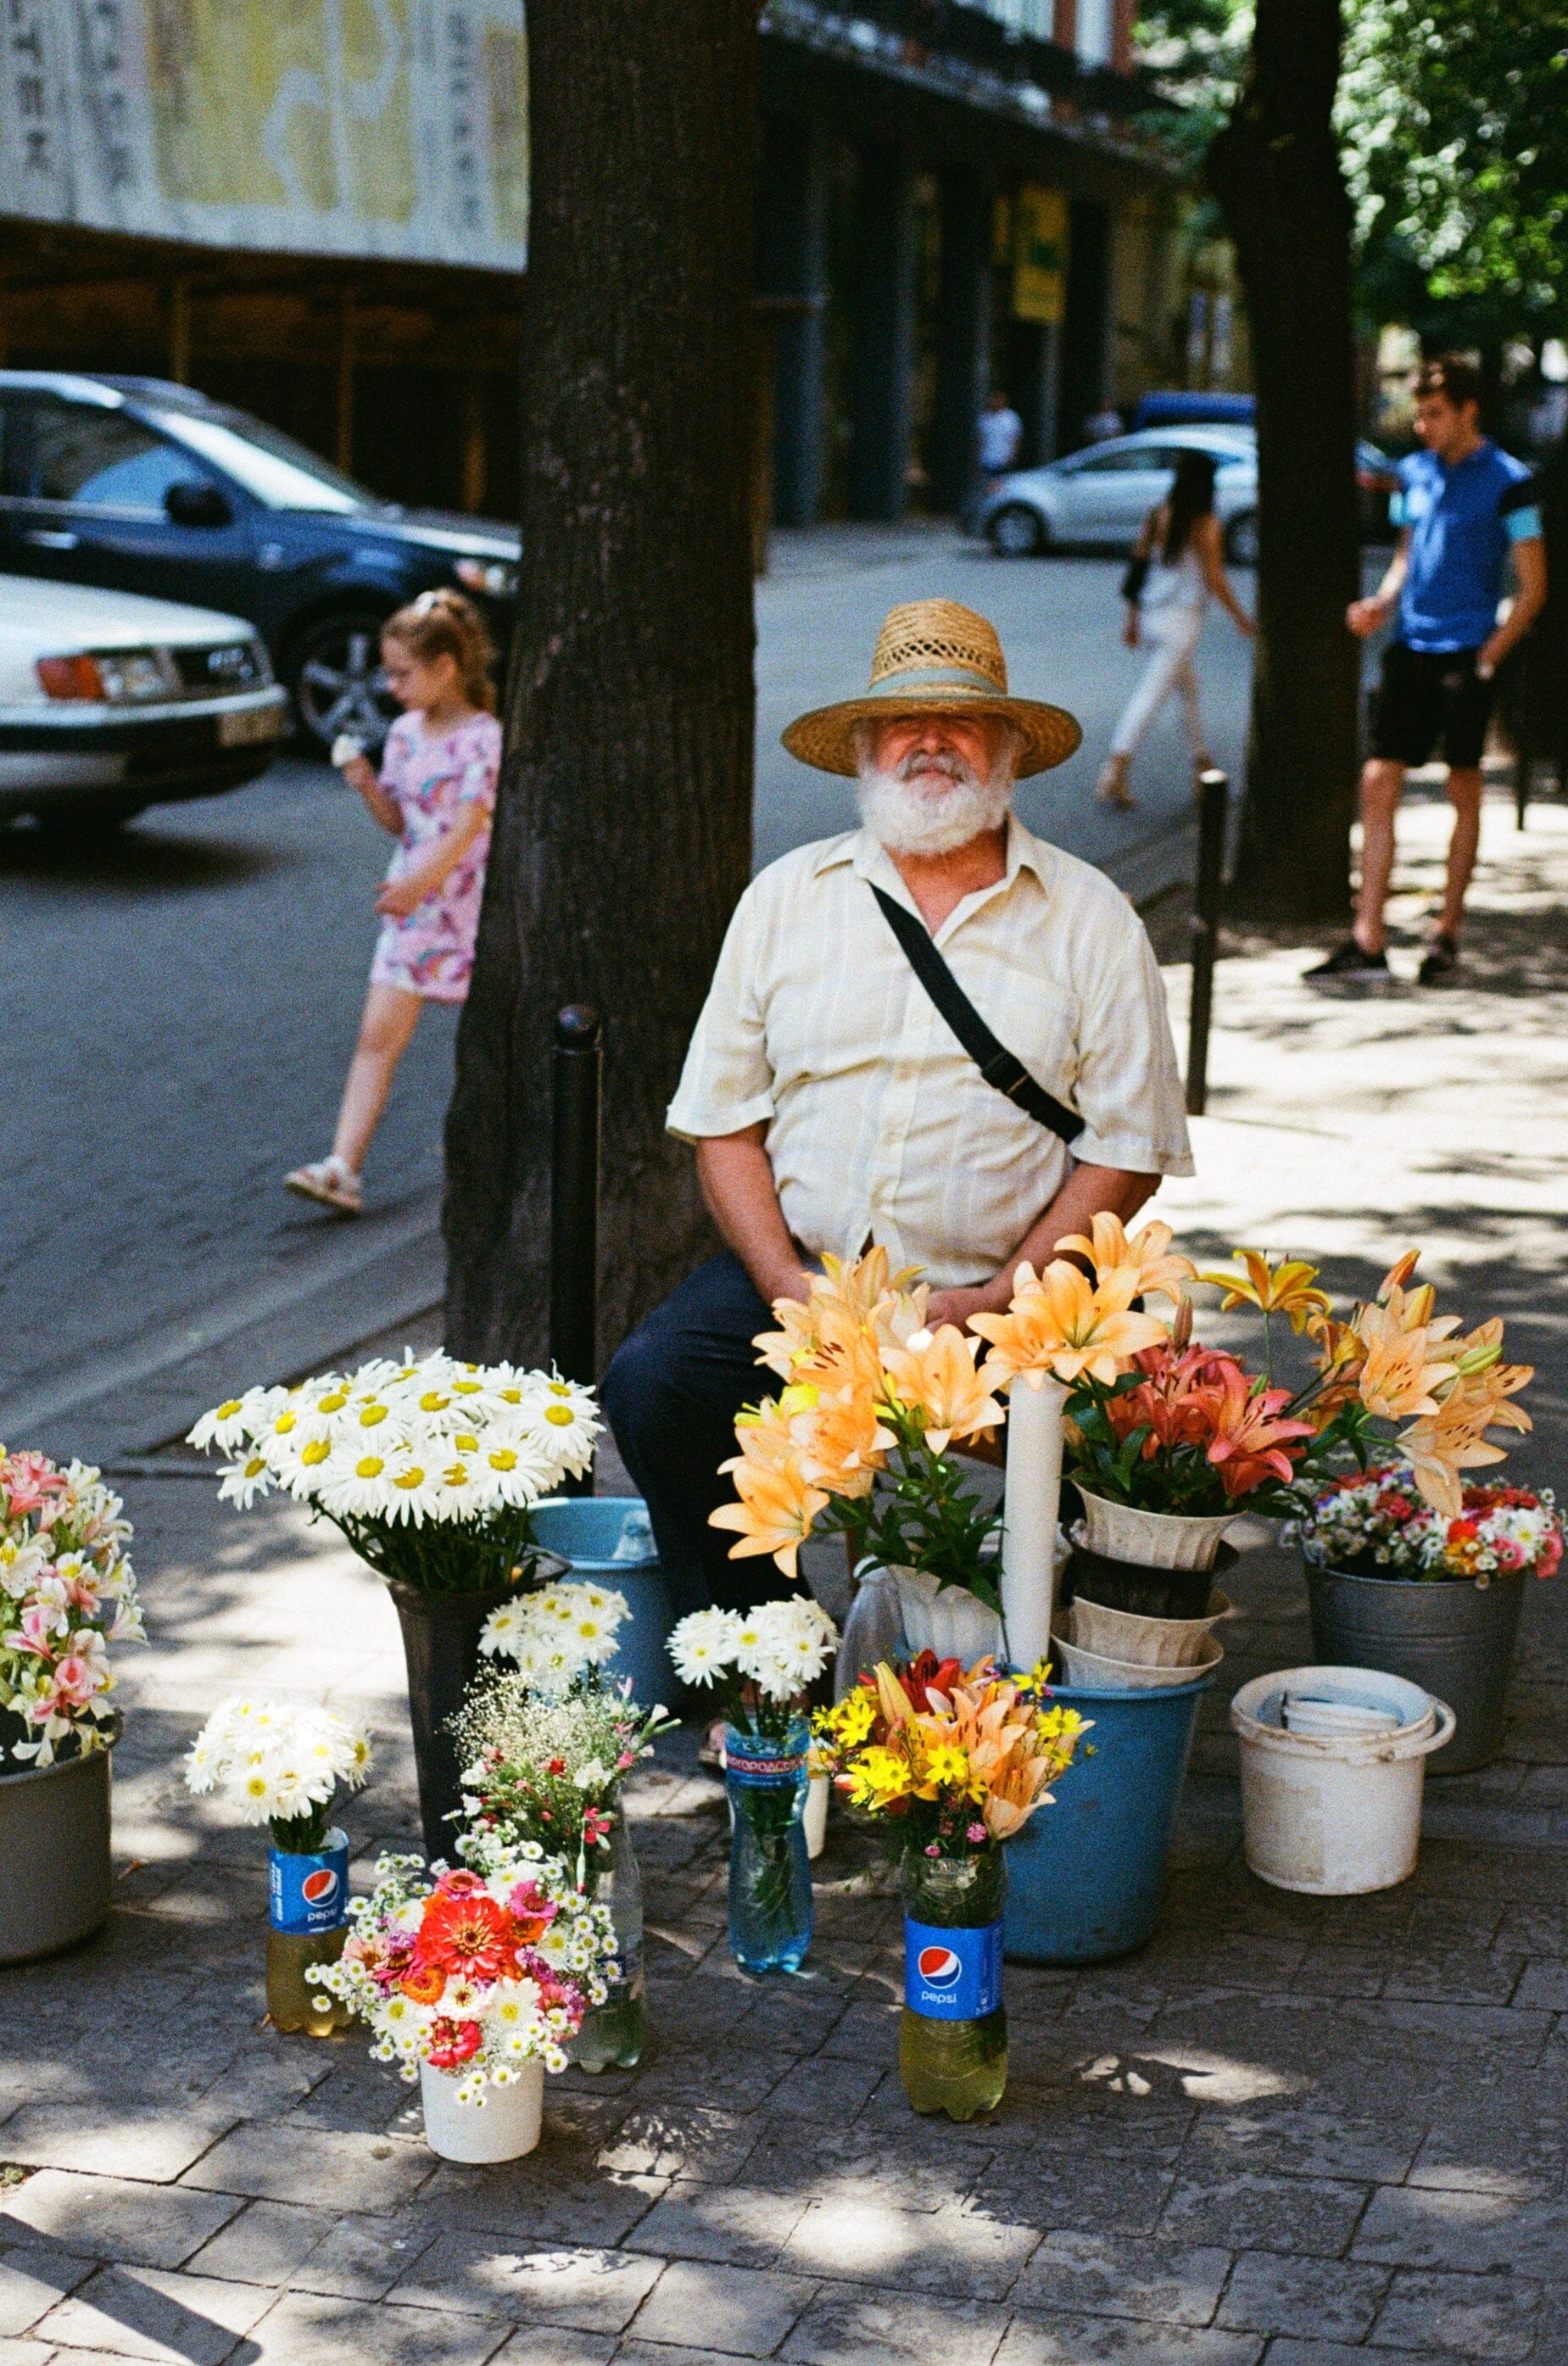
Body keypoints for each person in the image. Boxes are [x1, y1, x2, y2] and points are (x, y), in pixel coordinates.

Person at [602, 598, 1194, 1621]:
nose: (931, 742)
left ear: (1008, 747)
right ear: (865, 750)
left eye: (961, 721)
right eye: (903, 723)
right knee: (656, 1381)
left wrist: (1008, 1292)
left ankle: (1022, 1682)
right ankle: (764, 1650)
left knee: (1152, 1446)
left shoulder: (1090, 916)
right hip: (808, 1283)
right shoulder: (787, 898)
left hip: (1011, 1300)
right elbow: (723, 1125)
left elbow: (1127, 1149)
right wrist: (788, 1288)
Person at [1309, 352, 1548, 985]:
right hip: (1410, 647)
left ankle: (1445, 934)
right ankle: (1368, 938)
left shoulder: (1509, 480)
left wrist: (1488, 657)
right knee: (1378, 779)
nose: (1422, 425)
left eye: (1434, 414)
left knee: (1461, 787)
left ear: (1468, 411)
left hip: (1466, 653)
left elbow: (1533, 587)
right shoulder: (1413, 473)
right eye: (1417, 414)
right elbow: (1405, 558)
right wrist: (1381, 605)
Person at [285, 590, 501, 1214]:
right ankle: (341, 1166)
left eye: (403, 673)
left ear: (446, 668)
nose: (391, 686)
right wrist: (364, 785)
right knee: (376, 1037)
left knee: (486, 1042)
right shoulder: (404, 734)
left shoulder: (483, 738)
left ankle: (493, 1163)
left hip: (466, 905)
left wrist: (418, 885)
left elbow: (467, 826)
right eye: (388, 672)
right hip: (415, 905)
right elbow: (401, 823)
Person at [1096, 449, 1253, 810]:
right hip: (1182, 622)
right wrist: (1241, 618)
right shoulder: (1206, 523)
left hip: (1153, 615)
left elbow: (1137, 567)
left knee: (1189, 692)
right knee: (1150, 696)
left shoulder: (1158, 515)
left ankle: (1202, 763)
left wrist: (1132, 618)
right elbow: (1215, 578)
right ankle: (1115, 766)